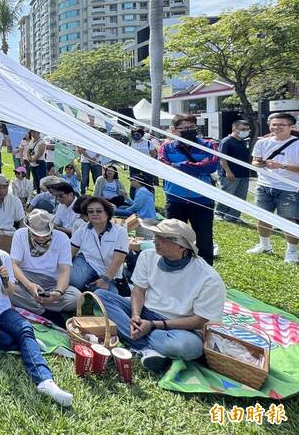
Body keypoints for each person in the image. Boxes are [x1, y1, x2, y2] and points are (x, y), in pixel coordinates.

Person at [0, 217, 73, 407]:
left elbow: (9, 292)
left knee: (24, 329)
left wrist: (5, 280)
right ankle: (27, 343)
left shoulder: (3, 256)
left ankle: (45, 381)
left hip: (2, 309)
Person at [95, 219, 225, 373]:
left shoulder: (208, 278)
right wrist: (136, 316)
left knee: (184, 346)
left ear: (182, 246)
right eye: (156, 236)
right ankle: (147, 347)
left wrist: (154, 325)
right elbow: (138, 290)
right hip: (145, 312)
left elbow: (200, 320)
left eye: (163, 238)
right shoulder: (148, 256)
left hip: (179, 326)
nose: (156, 241)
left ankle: (136, 339)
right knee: (101, 296)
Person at [158, 114, 219, 265]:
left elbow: (211, 165)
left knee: (204, 239)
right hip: (175, 198)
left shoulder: (209, 145)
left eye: (192, 127)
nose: (188, 130)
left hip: (202, 199)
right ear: (173, 130)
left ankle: (205, 270)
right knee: (173, 237)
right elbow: (163, 167)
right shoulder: (166, 147)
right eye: (184, 128)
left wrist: (178, 165)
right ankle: (175, 266)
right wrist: (197, 166)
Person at [10, 210, 80, 321]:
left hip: (50, 282)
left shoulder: (62, 238)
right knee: (4, 285)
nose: (41, 238)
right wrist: (29, 285)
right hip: (25, 279)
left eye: (44, 234)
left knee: (76, 298)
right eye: (36, 234)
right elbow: (14, 265)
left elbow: (64, 270)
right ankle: (45, 312)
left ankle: (30, 303)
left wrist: (58, 292)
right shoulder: (20, 234)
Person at [248, 112, 299, 262]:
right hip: (264, 185)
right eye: (274, 125)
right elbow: (254, 162)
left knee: (289, 220)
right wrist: (260, 163)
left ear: (291, 126)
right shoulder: (262, 142)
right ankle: (264, 245)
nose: (276, 127)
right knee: (263, 217)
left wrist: (282, 165)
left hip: (289, 188)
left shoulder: (297, 143)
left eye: (281, 125)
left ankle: (291, 252)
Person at [69, 197, 129, 294]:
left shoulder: (120, 232)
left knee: (110, 295)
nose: (95, 214)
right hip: (87, 263)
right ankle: (87, 285)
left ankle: (89, 286)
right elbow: (70, 252)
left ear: (107, 213)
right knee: (74, 281)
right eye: (90, 211)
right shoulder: (82, 230)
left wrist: (105, 279)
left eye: (99, 211)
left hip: (109, 271)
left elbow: (118, 260)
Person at [215, 120, 251, 224]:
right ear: (234, 129)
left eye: (247, 130)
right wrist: (227, 171)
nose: (246, 131)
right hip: (230, 174)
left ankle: (233, 216)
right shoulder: (226, 141)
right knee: (227, 194)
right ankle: (219, 213)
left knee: (241, 196)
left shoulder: (243, 141)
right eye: (243, 129)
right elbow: (222, 158)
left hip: (243, 173)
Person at [128, 126, 159, 191]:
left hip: (146, 165)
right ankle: (134, 198)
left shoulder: (148, 143)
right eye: (134, 134)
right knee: (134, 182)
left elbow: (153, 153)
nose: (135, 136)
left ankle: (150, 195)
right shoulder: (130, 143)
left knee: (148, 182)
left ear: (142, 135)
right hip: (134, 165)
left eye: (137, 134)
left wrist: (150, 162)